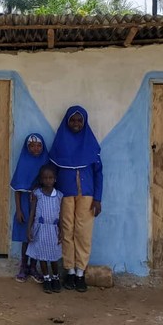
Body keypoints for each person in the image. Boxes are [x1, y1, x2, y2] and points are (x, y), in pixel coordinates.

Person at [49, 106, 103, 292]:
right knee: (66, 230)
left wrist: (98, 198)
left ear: (84, 122)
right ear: (67, 121)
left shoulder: (90, 144)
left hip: (87, 195)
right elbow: (52, 172)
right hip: (65, 194)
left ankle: (80, 272)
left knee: (83, 232)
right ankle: (69, 270)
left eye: (80, 120)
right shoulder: (60, 143)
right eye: (72, 120)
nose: (76, 123)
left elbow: (98, 173)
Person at [10, 133, 48, 283]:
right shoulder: (23, 163)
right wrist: (19, 210)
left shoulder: (45, 164)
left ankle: (33, 267)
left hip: (41, 205)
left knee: (37, 236)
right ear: (27, 148)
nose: (35, 149)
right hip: (25, 206)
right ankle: (23, 267)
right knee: (26, 236)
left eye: (39, 145)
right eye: (31, 146)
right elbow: (17, 190)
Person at [26, 164, 63, 293]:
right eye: (45, 178)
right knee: (42, 256)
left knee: (53, 256)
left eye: (50, 178)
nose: (48, 180)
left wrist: (61, 231)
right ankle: (46, 278)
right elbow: (32, 212)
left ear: (55, 179)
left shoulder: (59, 196)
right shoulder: (37, 194)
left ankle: (55, 278)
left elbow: (61, 215)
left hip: (53, 230)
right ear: (41, 179)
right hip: (40, 230)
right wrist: (29, 229)